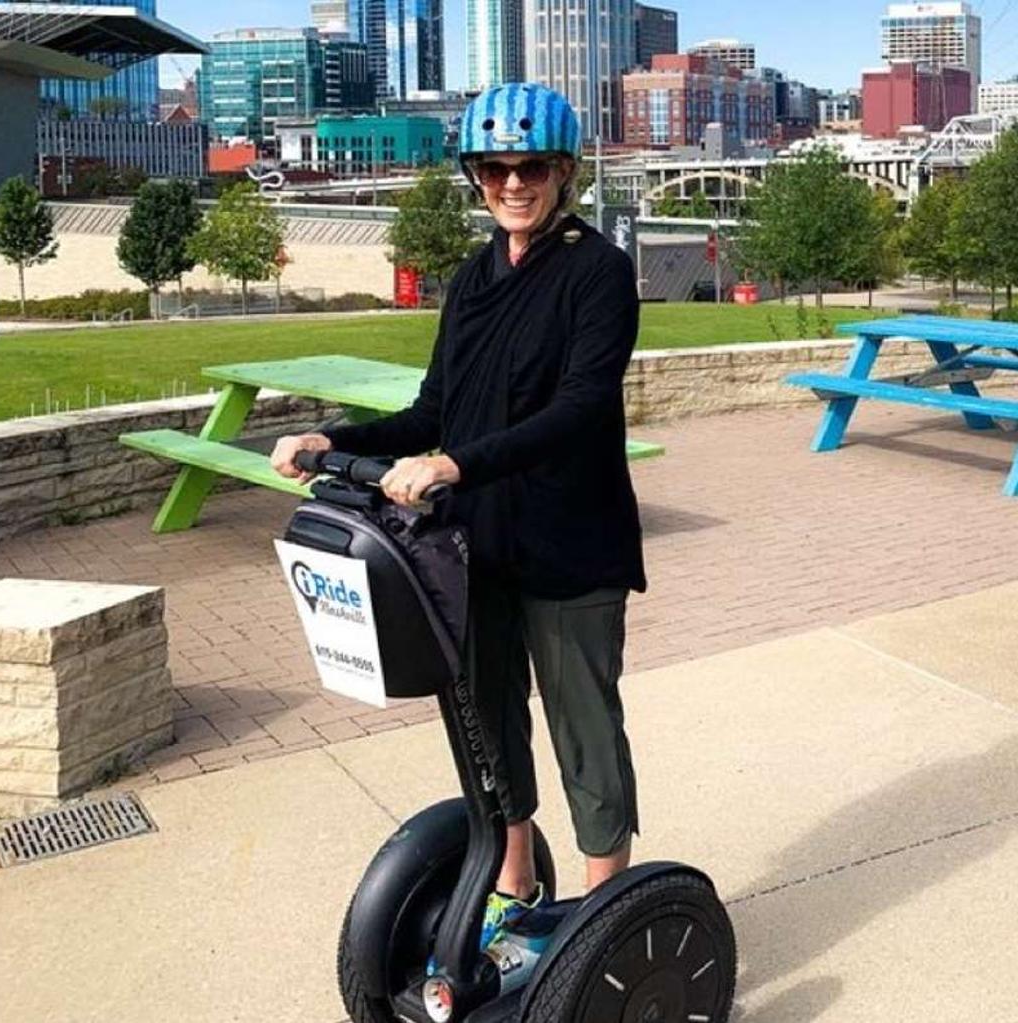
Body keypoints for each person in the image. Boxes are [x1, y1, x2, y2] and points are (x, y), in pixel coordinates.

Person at [270, 82, 645, 951]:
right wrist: (331, 439)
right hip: (476, 545)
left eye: (532, 167)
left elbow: (582, 407)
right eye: (495, 168)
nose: (513, 184)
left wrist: (453, 464)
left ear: (564, 172)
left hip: (570, 544)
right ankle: (515, 886)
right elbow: (434, 407)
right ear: (475, 175)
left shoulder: (598, 272)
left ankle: (607, 915)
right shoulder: (475, 278)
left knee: (583, 730)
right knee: (487, 719)